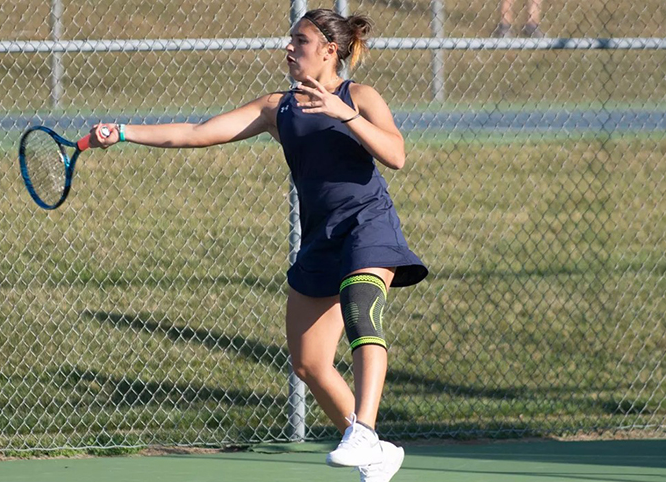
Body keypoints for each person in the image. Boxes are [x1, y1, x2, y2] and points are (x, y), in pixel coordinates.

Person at [88, 8, 428, 482]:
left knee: (360, 307)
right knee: (309, 364)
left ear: (330, 51)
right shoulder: (278, 108)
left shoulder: (361, 96)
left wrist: (343, 114)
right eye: (289, 40)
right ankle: (376, 452)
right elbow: (196, 133)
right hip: (320, 240)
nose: (289, 49)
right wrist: (124, 132)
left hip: (367, 227)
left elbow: (396, 154)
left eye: (300, 41)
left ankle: (365, 429)